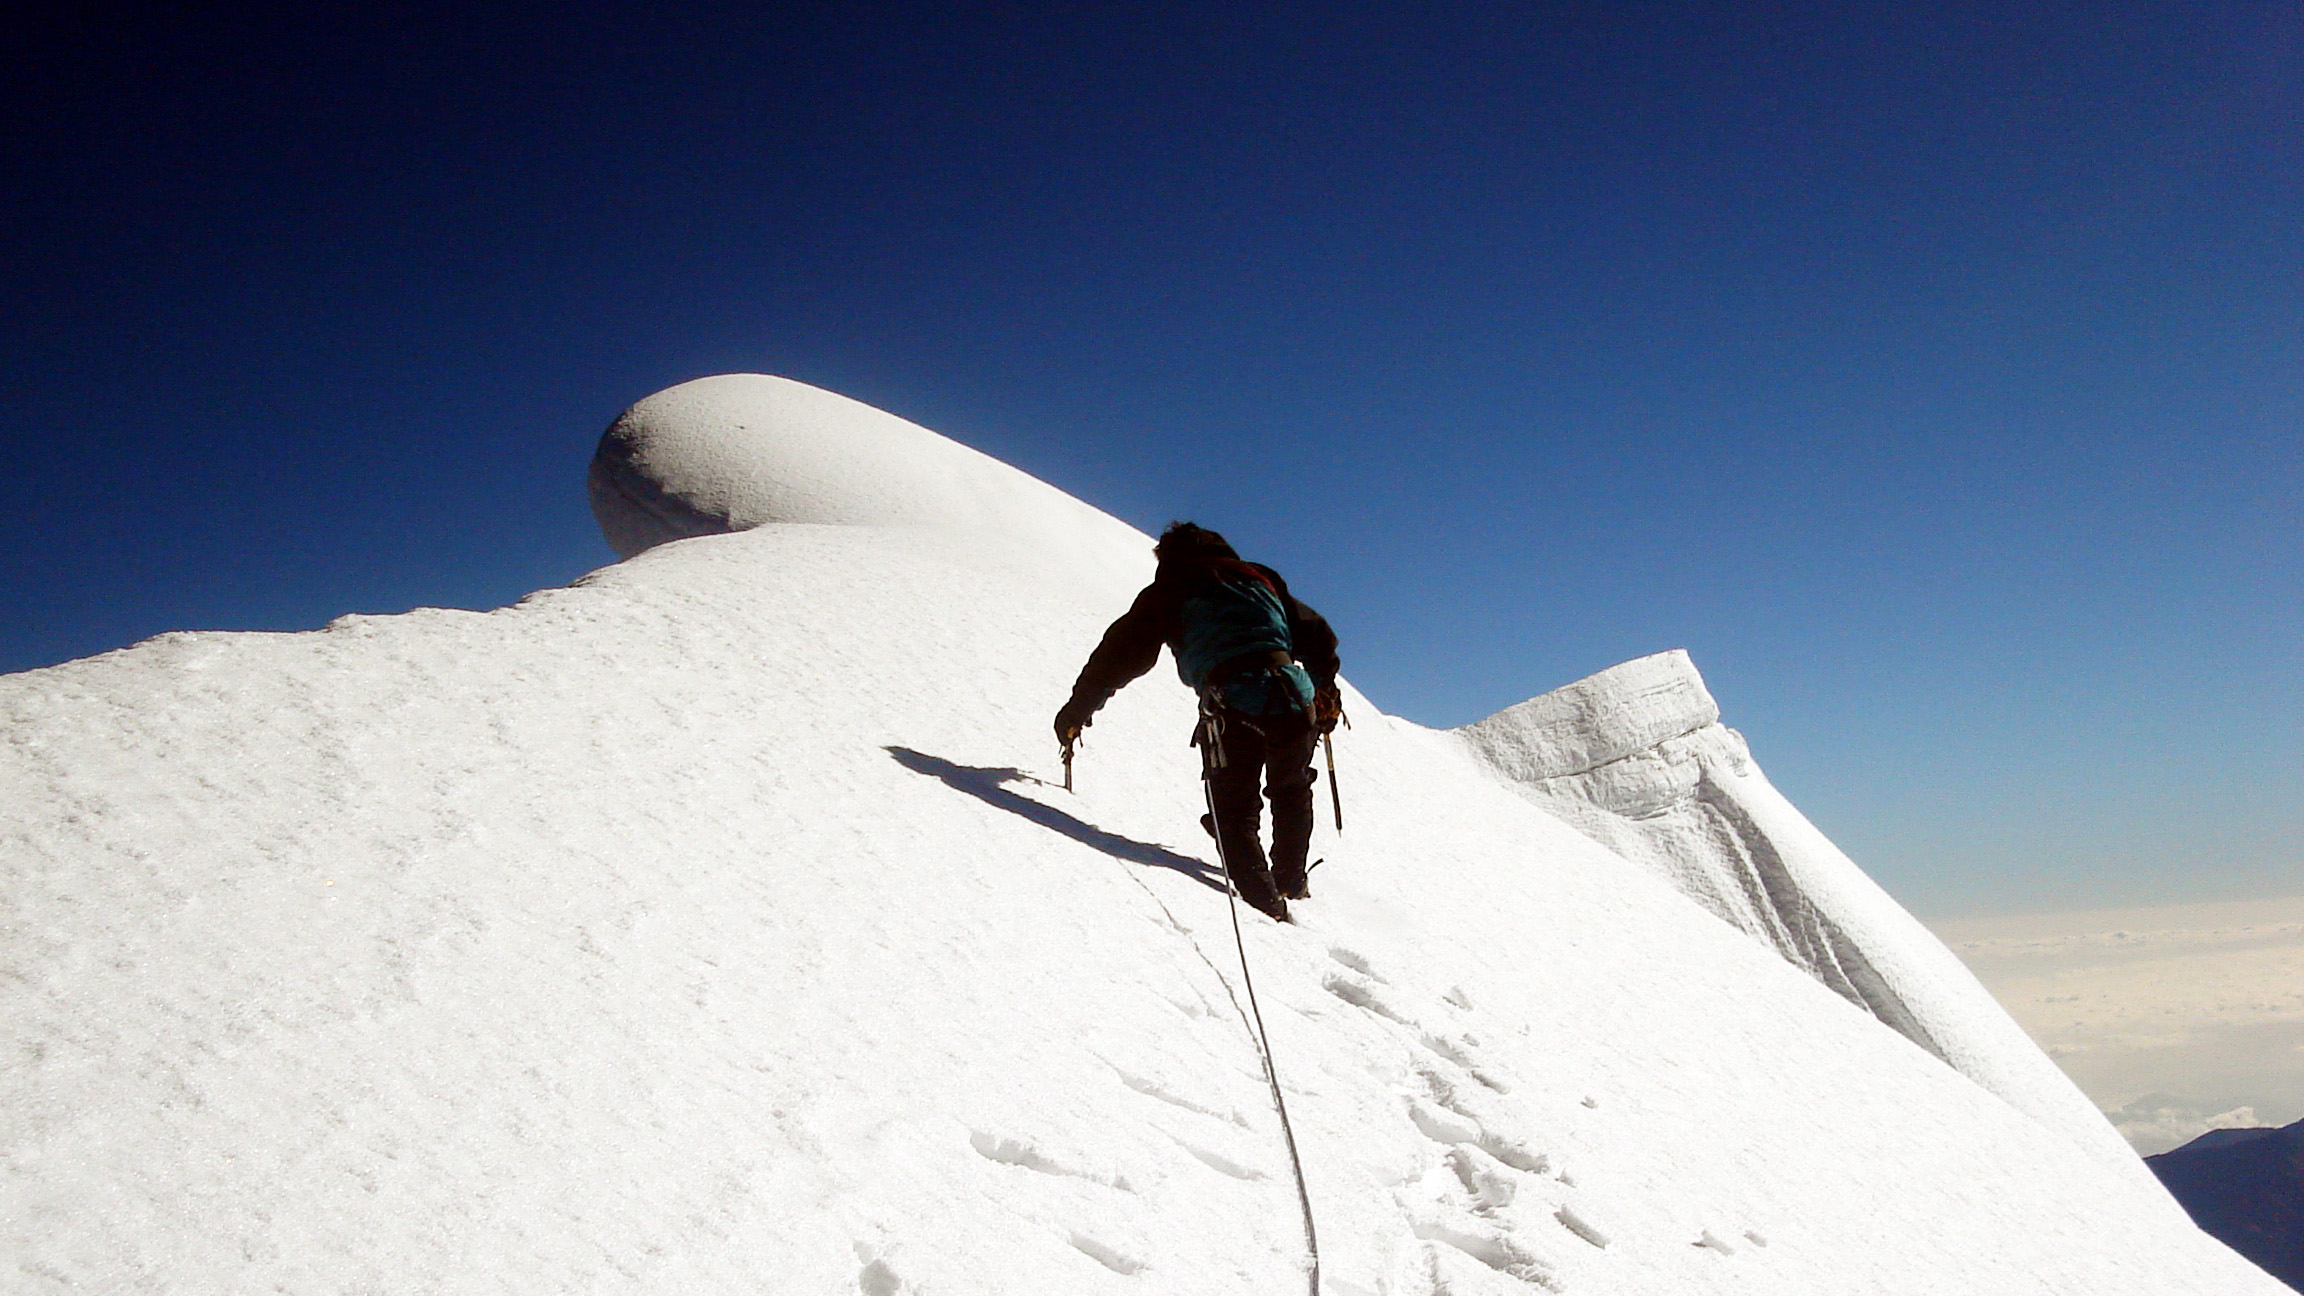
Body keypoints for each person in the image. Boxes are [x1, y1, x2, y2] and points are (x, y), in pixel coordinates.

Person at [1055, 522, 1341, 921]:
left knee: (1235, 809)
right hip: (1295, 697)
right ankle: (1291, 881)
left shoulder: (1172, 588)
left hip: (1231, 701)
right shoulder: (1260, 578)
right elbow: (1319, 636)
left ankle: (1270, 912)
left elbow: (1120, 656)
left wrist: (1076, 712)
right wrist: (1324, 689)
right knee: (1291, 789)